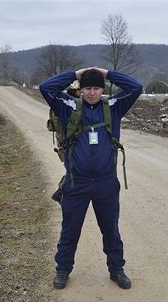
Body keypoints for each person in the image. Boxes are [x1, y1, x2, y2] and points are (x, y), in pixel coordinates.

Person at [40, 67, 142, 289]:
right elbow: (46, 88)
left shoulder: (114, 107)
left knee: (111, 230)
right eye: (88, 88)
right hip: (77, 182)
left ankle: (116, 270)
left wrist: (107, 73)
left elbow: (136, 87)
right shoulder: (67, 106)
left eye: (96, 88)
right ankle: (63, 270)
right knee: (70, 230)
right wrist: (76, 74)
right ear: (81, 89)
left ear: (102, 90)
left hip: (106, 182)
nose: (92, 92)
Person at [51, 80, 81, 204]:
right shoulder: (68, 105)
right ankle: (62, 192)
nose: (82, 93)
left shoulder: (69, 103)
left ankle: (64, 192)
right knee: (73, 170)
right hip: (68, 143)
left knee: (73, 169)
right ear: (74, 90)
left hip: (67, 142)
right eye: (80, 90)